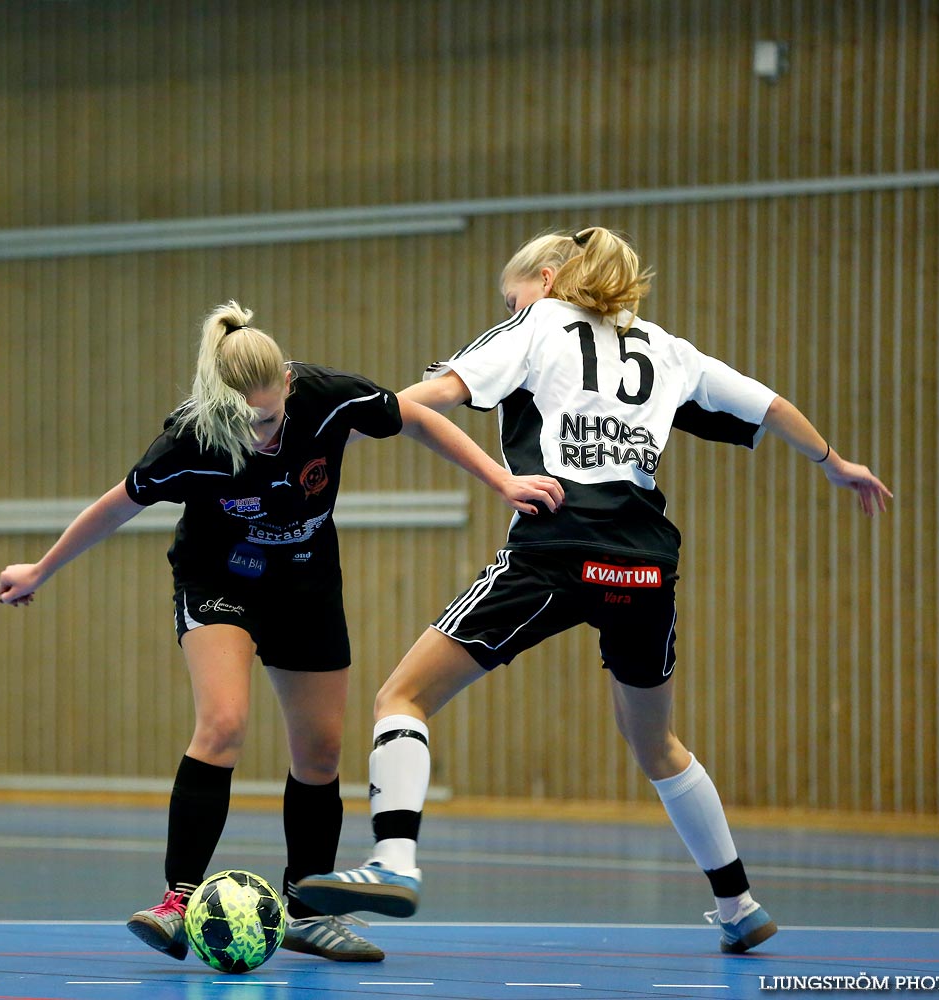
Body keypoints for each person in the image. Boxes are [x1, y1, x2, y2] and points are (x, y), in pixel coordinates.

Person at [296, 227, 894, 954]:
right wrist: (834, 461)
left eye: (509, 295)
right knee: (658, 744)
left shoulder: (538, 322)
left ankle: (394, 860)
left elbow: (436, 396)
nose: (508, 306)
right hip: (643, 566)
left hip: (556, 547)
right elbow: (767, 405)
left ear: (545, 280)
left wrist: (332, 432)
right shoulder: (664, 346)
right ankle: (739, 902)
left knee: (402, 698)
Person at [0, 300, 562, 964]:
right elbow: (114, 506)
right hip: (219, 583)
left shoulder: (325, 398)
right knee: (224, 724)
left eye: (271, 417)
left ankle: (306, 911)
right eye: (247, 422)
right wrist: (41, 568)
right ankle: (178, 900)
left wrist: (500, 479)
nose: (263, 435)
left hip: (305, 585)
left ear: (288, 386)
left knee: (320, 754)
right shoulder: (189, 441)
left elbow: (413, 416)